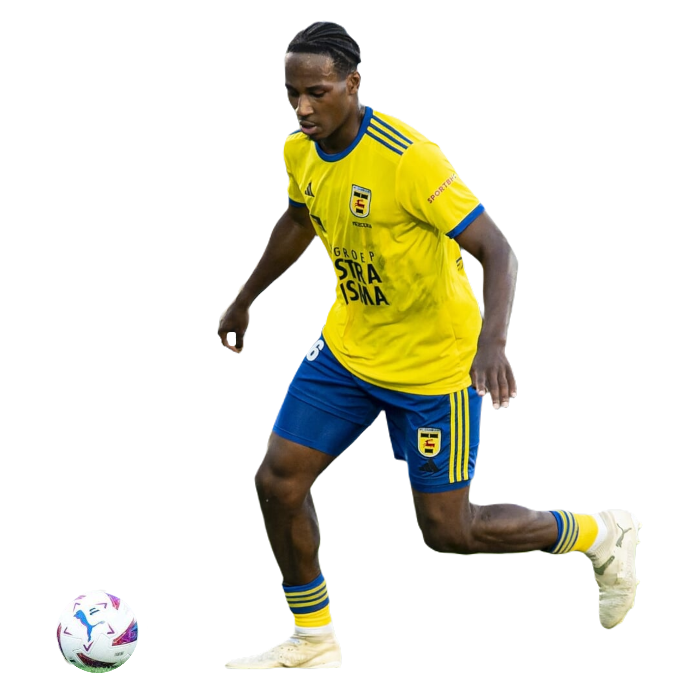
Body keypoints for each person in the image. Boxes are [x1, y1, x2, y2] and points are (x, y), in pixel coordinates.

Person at [218, 21, 641, 670]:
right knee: (276, 483)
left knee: (449, 533)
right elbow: (300, 218)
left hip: (433, 368)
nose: (302, 107)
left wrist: (492, 343)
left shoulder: (409, 158)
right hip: (349, 351)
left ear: (353, 84)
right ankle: (314, 638)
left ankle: (598, 532)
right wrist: (246, 296)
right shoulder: (299, 151)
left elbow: (497, 249)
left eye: (317, 92)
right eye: (291, 93)